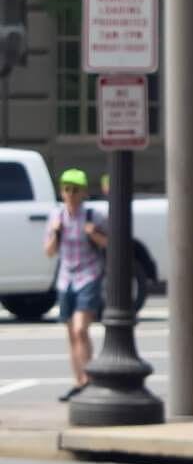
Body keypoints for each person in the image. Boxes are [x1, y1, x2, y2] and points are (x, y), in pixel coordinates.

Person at [44, 168, 107, 402]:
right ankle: (78, 380)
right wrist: (54, 235)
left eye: (75, 190)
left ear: (83, 193)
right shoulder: (56, 217)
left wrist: (94, 235)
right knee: (72, 333)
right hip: (65, 278)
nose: (70, 194)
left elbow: (111, 242)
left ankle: (88, 377)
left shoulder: (93, 216)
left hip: (88, 275)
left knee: (81, 329)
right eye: (67, 189)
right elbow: (49, 252)